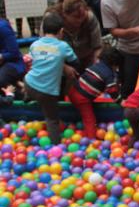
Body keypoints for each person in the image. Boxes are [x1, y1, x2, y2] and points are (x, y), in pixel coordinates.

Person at [24, 11, 79, 145]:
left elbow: (33, 59)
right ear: (61, 31)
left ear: (43, 30)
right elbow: (75, 61)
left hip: (29, 85)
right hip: (47, 93)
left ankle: (27, 96)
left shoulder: (34, 44)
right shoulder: (63, 46)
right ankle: (55, 145)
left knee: (31, 76)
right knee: (52, 119)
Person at [68, 46, 121, 139]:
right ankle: (91, 139)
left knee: (86, 108)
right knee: (89, 120)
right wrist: (120, 101)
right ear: (114, 64)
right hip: (82, 98)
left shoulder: (96, 65)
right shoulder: (108, 74)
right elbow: (112, 91)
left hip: (73, 91)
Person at [54, 0, 102, 71]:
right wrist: (65, 68)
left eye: (83, 15)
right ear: (65, 14)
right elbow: (48, 51)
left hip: (87, 59)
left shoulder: (90, 18)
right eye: (76, 17)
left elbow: (97, 46)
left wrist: (95, 63)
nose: (80, 20)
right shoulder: (53, 20)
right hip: (60, 63)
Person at [0, 18, 26, 89]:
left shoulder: (2, 27)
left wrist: (2, 56)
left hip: (13, 64)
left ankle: (24, 91)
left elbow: (14, 53)